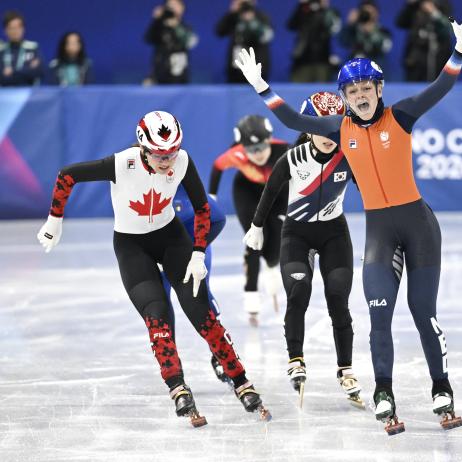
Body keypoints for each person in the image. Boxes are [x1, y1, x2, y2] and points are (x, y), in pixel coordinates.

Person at [234, 7, 462, 434]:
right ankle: (383, 390)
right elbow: (293, 120)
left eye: (367, 88)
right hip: (380, 233)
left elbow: (441, 86)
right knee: (379, 313)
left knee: (423, 312)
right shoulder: (337, 129)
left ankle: (441, 387)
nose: (361, 96)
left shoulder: (400, 115)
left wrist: (459, 48)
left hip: (419, 227)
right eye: (352, 91)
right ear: (344, 97)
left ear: (379, 89)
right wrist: (262, 87)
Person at [36, 111, 270, 426]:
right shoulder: (123, 163)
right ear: (145, 149)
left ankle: (240, 380)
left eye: (172, 152)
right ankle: (177, 385)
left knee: (202, 312)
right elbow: (67, 174)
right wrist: (55, 220)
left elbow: (204, 209)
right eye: (161, 155)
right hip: (133, 247)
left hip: (171, 238)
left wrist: (199, 253)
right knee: (156, 314)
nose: (168, 161)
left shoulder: (183, 161)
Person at [243, 92, 364, 408]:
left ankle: (346, 368)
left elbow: (371, 192)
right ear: (308, 128)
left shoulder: (350, 157)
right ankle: (296, 359)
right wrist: (256, 227)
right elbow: (269, 195)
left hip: (335, 234)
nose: (328, 136)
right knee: (299, 291)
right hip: (296, 233)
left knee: (338, 298)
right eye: (320, 129)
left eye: (334, 128)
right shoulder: (292, 159)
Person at [209, 115, 289, 326]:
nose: (258, 154)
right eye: (251, 150)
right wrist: (212, 198)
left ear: (270, 140)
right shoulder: (235, 155)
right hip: (247, 191)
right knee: (255, 240)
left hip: (279, 193)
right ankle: (251, 292)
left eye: (262, 146)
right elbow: (217, 167)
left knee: (274, 244)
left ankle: (272, 265)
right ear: (241, 147)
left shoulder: (286, 151)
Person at [160, 186, 233, 386]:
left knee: (201, 296)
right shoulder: (134, 181)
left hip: (192, 247)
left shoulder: (182, 181)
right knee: (159, 303)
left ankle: (221, 353)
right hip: (156, 250)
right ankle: (171, 362)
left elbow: (218, 218)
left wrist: (196, 250)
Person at [215, 0, 273, 83]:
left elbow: (267, 36)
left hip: (258, 66)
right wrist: (231, 13)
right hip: (236, 68)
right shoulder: (233, 17)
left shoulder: (261, 16)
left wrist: (253, 22)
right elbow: (219, 31)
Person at [396, 0, 453, 82]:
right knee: (413, 90)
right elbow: (400, 23)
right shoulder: (415, 6)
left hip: (439, 58)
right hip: (416, 61)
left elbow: (449, 29)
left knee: (436, 88)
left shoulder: (443, 4)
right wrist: (409, 5)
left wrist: (434, 12)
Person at [287, 0, 342, 82]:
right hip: (302, 60)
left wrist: (324, 9)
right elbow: (291, 25)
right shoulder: (304, 9)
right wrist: (301, 6)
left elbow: (333, 28)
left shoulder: (329, 12)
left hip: (322, 60)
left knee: (323, 91)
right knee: (299, 90)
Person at [144, 0, 198, 84]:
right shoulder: (159, 27)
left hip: (179, 77)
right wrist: (156, 20)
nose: (173, 8)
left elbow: (191, 42)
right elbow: (148, 39)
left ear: (182, 8)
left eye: (176, 5)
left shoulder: (186, 27)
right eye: (170, 6)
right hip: (159, 75)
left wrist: (176, 26)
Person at [339, 0, 393, 68]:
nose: (368, 16)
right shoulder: (352, 31)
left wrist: (372, 33)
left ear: (377, 14)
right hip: (354, 71)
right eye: (365, 12)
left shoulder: (384, 32)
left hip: (376, 71)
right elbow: (342, 42)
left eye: (371, 13)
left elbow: (384, 48)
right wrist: (349, 25)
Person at [0, 10, 44, 86]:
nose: (15, 31)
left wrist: (12, 72)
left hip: (29, 94)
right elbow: (2, 77)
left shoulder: (32, 48)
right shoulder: (2, 51)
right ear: (5, 31)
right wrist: (27, 69)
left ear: (23, 29)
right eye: (11, 28)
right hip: (5, 94)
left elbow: (38, 72)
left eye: (18, 27)